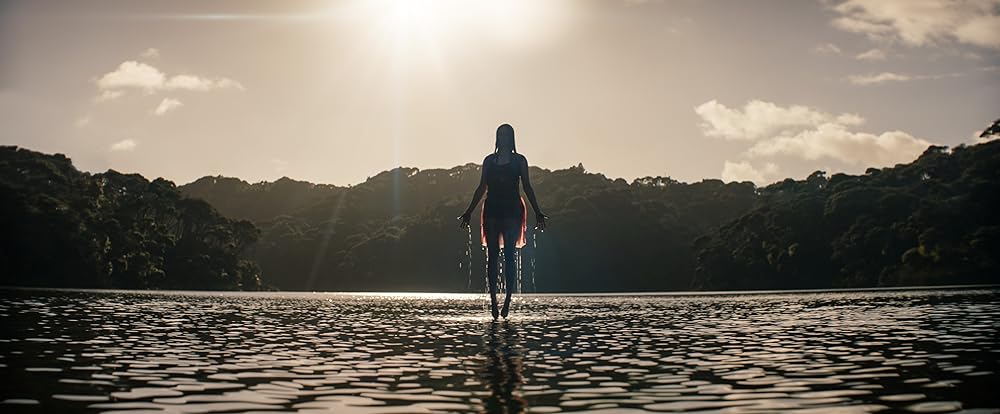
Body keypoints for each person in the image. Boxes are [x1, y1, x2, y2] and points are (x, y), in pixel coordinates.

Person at [459, 124, 547, 320]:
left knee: (509, 256)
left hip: (513, 210)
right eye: (501, 134)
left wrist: (538, 212)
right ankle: (493, 302)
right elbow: (481, 187)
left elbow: (528, 187)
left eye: (507, 134)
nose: (504, 137)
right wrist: (468, 211)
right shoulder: (489, 161)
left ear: (512, 138)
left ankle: (507, 300)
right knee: (492, 257)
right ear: (497, 138)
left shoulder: (519, 161)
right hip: (492, 210)